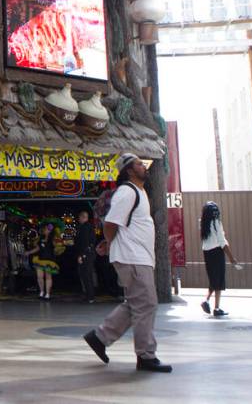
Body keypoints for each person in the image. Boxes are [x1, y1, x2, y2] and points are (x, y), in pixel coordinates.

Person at [82, 153, 172, 373]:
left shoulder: (139, 192)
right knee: (147, 303)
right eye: (140, 164)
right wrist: (111, 242)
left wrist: (109, 242)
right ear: (130, 170)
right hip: (133, 258)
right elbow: (112, 222)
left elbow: (120, 226)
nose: (144, 167)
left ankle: (100, 338)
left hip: (137, 257)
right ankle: (146, 355)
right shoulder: (128, 191)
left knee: (136, 304)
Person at [200, 201, 238, 317]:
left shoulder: (202, 223)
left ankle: (206, 300)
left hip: (207, 253)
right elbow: (222, 241)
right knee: (219, 279)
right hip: (217, 252)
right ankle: (216, 308)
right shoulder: (217, 223)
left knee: (213, 279)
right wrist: (231, 257)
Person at [26, 223, 60, 300]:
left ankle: (47, 294)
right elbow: (38, 248)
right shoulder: (41, 238)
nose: (44, 230)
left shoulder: (53, 239)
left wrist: (57, 244)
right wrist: (29, 252)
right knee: (39, 277)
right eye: (44, 229)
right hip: (40, 260)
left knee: (48, 277)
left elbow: (57, 247)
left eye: (46, 229)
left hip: (49, 260)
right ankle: (41, 292)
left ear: (50, 231)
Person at [74, 210, 97, 303]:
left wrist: (81, 255)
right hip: (89, 253)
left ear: (83, 217)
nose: (79, 219)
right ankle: (89, 295)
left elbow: (84, 242)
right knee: (87, 275)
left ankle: (90, 296)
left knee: (86, 275)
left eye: (80, 218)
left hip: (86, 254)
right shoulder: (89, 227)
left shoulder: (85, 228)